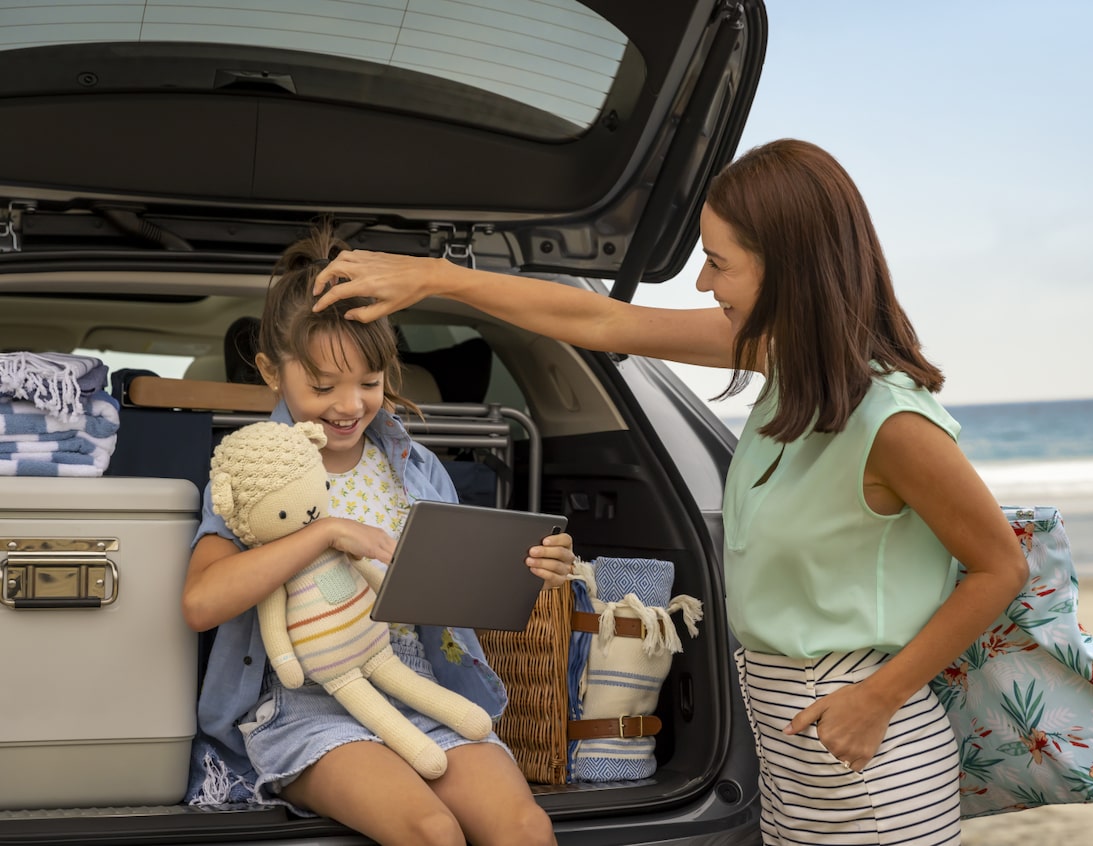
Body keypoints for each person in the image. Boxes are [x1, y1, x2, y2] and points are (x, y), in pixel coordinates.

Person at [312, 138, 1030, 845]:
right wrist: (438, 279)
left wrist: (877, 698)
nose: (702, 285)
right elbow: (601, 321)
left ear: (790, 271)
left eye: (718, 264)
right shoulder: (784, 360)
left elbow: (1001, 568)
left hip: (869, 758)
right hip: (792, 751)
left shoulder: (893, 421)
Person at [181, 221, 574, 846]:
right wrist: (323, 533)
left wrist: (532, 568)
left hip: (420, 685)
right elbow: (201, 602)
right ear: (269, 371)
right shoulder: (255, 472)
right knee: (430, 832)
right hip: (306, 705)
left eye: (369, 383)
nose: (349, 405)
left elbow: (458, 594)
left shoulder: (416, 467)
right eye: (321, 386)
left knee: (525, 828)